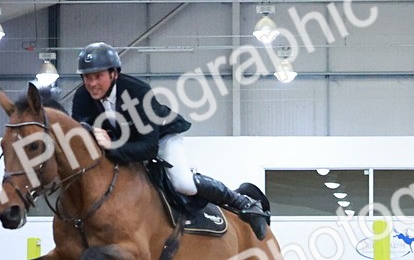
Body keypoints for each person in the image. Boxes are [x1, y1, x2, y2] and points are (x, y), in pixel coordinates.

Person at [70, 42, 269, 239]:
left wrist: (111, 145)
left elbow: (148, 148)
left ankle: (243, 203)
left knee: (183, 183)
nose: (92, 83)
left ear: (114, 73)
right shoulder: (82, 97)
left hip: (160, 138)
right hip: (123, 145)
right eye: (87, 77)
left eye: (98, 76)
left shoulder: (137, 92)